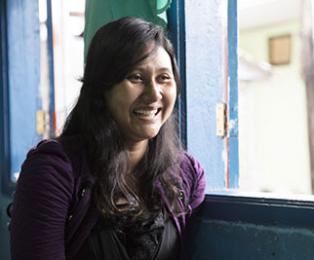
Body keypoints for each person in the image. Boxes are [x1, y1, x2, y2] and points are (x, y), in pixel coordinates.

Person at [10, 17, 205, 260]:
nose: (154, 94)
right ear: (102, 87)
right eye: (136, 77)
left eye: (164, 78)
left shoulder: (186, 175)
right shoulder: (53, 171)